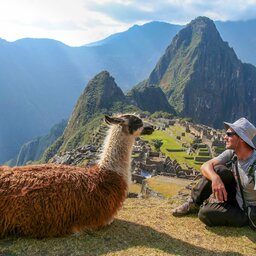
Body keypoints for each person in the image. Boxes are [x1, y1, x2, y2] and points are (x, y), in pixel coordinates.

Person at [172, 117, 256, 227]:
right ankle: (193, 203)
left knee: (205, 214)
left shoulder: (254, 166)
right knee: (218, 170)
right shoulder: (232, 153)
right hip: (234, 197)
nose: (225, 137)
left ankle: (243, 220)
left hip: (245, 211)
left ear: (241, 138)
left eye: (229, 134)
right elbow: (205, 166)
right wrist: (215, 179)